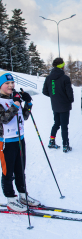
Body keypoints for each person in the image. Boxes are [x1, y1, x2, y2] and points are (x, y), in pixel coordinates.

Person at [0, 71, 40, 212]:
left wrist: (27, 103)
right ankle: (11, 199)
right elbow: (4, 119)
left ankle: (23, 195)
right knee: (8, 171)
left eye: (12, 83)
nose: (11, 85)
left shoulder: (13, 99)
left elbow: (24, 117)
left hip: (19, 139)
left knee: (20, 169)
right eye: (7, 83)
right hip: (6, 142)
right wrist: (16, 104)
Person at [43, 57, 74, 153]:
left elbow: (45, 91)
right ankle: (65, 145)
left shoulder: (48, 78)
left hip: (55, 105)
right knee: (64, 125)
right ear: (61, 66)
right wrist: (70, 100)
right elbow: (69, 92)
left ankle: (52, 141)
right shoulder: (65, 78)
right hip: (64, 105)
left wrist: (54, 96)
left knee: (56, 123)